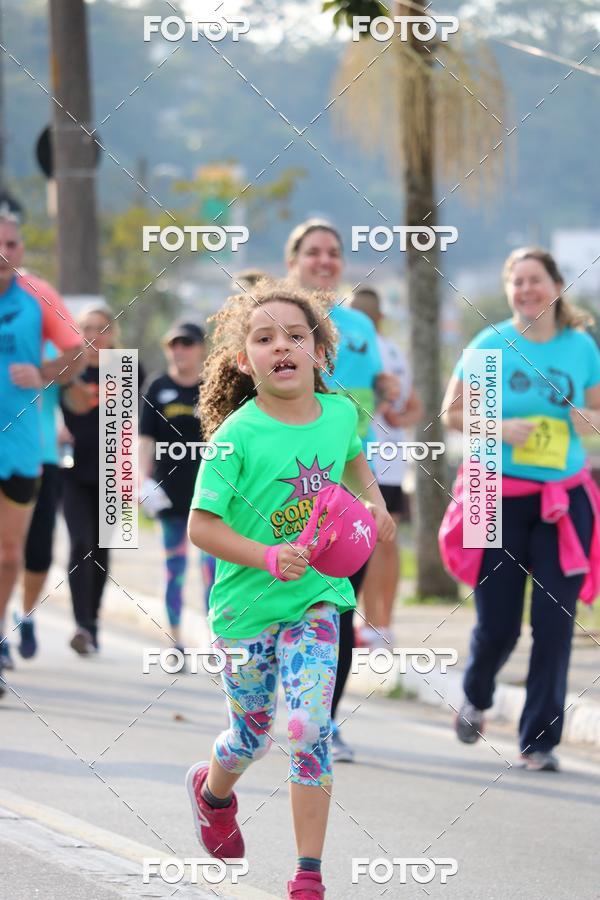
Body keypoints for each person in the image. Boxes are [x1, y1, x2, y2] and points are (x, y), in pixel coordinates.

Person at [186, 279, 395, 900]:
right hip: (245, 609)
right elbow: (201, 526)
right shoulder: (237, 437)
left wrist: (374, 504)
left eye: (295, 336)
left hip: (317, 600)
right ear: (244, 359)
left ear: (318, 352)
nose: (281, 346)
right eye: (264, 337)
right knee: (250, 733)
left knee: (307, 728)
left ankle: (308, 875)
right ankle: (212, 792)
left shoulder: (338, 413)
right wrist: (268, 555)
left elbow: (354, 458)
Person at [440, 246, 600, 772]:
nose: (527, 290)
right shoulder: (491, 346)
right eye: (517, 282)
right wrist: (501, 429)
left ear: (556, 285)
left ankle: (539, 741)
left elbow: (597, 413)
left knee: (555, 621)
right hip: (495, 493)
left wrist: (586, 418)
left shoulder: (580, 348)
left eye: (535, 280)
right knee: (500, 624)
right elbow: (453, 414)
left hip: (563, 497)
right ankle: (477, 694)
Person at [285, 218, 397, 762]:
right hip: (282, 487)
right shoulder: (274, 321)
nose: (325, 261)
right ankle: (262, 706)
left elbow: (375, 401)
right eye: (313, 252)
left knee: (338, 607)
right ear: (294, 261)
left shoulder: (361, 327)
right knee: (279, 603)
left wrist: (392, 392)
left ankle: (323, 721)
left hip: (346, 490)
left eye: (333, 252)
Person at [0, 213, 83, 685]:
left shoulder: (37, 295)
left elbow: (77, 352)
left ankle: (21, 619)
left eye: (12, 243)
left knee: (21, 554)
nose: (4, 252)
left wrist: (44, 373)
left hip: (28, 447)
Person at [350, 286, 423, 647]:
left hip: (367, 458)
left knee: (365, 539)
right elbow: (415, 408)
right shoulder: (394, 352)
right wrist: (395, 416)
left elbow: (410, 405)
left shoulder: (363, 349)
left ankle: (370, 624)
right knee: (385, 540)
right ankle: (383, 625)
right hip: (390, 459)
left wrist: (388, 412)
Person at [140, 321, 207, 650]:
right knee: (174, 569)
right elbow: (144, 439)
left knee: (213, 573)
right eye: (174, 344)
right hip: (169, 496)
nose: (180, 350)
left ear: (200, 349)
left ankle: (216, 641)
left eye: (187, 344)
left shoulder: (212, 386)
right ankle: (176, 638)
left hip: (210, 498)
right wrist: (144, 481)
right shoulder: (158, 386)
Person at [60, 304, 119, 656]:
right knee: (79, 542)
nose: (93, 335)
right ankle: (81, 624)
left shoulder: (125, 368)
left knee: (103, 549)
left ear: (111, 334)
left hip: (114, 473)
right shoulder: (69, 372)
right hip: (73, 471)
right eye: (86, 328)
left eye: (100, 328)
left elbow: (134, 424)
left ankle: (93, 623)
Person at [16, 342, 63, 659]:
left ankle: (26, 614)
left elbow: (78, 400)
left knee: (40, 550)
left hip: (46, 458)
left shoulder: (57, 347)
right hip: (8, 456)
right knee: (7, 552)